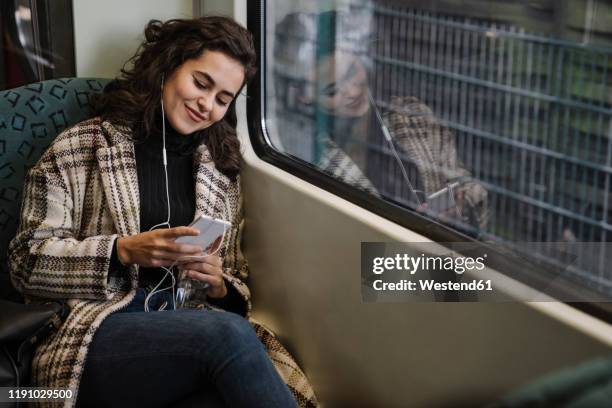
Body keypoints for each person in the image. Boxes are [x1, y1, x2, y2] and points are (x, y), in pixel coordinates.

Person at [8, 16, 318, 408]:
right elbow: (24, 263)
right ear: (168, 66)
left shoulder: (219, 171)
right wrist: (122, 252)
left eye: (223, 99)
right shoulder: (80, 147)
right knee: (227, 338)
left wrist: (218, 284)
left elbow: (235, 276)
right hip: (91, 334)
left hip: (185, 332)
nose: (207, 104)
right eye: (201, 83)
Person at [273, 11, 488, 236]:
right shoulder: (304, 153)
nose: (353, 90)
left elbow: (467, 185)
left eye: (352, 71)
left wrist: (462, 211)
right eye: (332, 90)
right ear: (303, 97)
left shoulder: (411, 114)